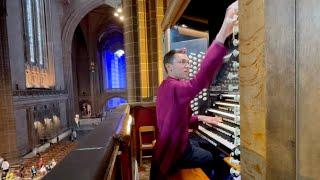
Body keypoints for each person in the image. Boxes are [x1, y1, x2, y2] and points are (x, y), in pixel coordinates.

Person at [150, 1, 238, 179]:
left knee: (204, 144)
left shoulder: (165, 86)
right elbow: (201, 81)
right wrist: (222, 35)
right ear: (169, 67)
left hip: (175, 144)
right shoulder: (176, 87)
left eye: (188, 62)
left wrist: (203, 117)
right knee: (212, 156)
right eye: (182, 62)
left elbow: (176, 119)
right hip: (174, 153)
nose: (187, 66)